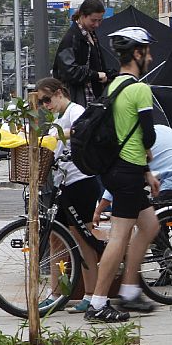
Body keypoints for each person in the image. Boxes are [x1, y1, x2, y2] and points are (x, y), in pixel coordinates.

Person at [85, 27, 161, 323]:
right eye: (147, 52)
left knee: (150, 225)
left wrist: (147, 172)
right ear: (137, 53)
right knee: (119, 237)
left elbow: (125, 134)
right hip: (126, 173)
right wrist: (146, 158)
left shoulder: (113, 85)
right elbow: (148, 136)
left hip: (119, 169)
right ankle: (97, 303)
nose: (150, 58)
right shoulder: (140, 89)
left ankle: (129, 291)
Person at [95, 124, 172, 285]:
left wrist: (98, 210)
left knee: (152, 225)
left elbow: (122, 180)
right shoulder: (160, 128)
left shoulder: (130, 143)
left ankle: (170, 272)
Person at [35, 77, 102, 314]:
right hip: (62, 184)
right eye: (41, 102)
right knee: (56, 239)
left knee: (82, 239)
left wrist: (58, 135)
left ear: (59, 93)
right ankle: (56, 294)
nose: (45, 105)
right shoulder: (56, 119)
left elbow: (83, 131)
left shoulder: (76, 111)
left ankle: (91, 294)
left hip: (81, 182)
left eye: (47, 99)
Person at [52, 0, 118, 107]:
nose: (97, 24)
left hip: (91, 97)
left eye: (100, 20)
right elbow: (69, 71)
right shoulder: (72, 38)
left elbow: (96, 66)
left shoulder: (90, 34)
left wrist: (107, 75)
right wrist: (97, 75)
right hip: (79, 100)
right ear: (82, 16)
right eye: (93, 20)